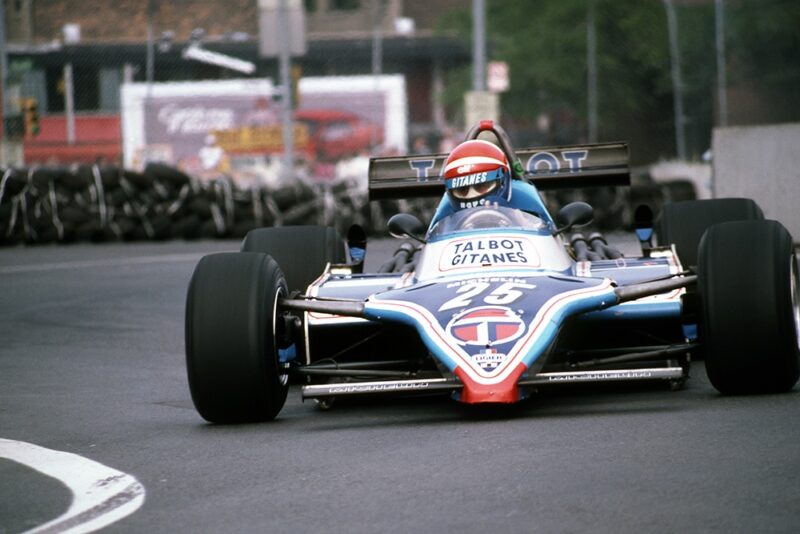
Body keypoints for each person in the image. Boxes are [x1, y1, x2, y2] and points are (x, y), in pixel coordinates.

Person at [442, 139, 512, 210]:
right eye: (462, 190)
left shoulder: (522, 209)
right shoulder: (444, 215)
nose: (471, 195)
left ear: (503, 182)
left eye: (481, 186)